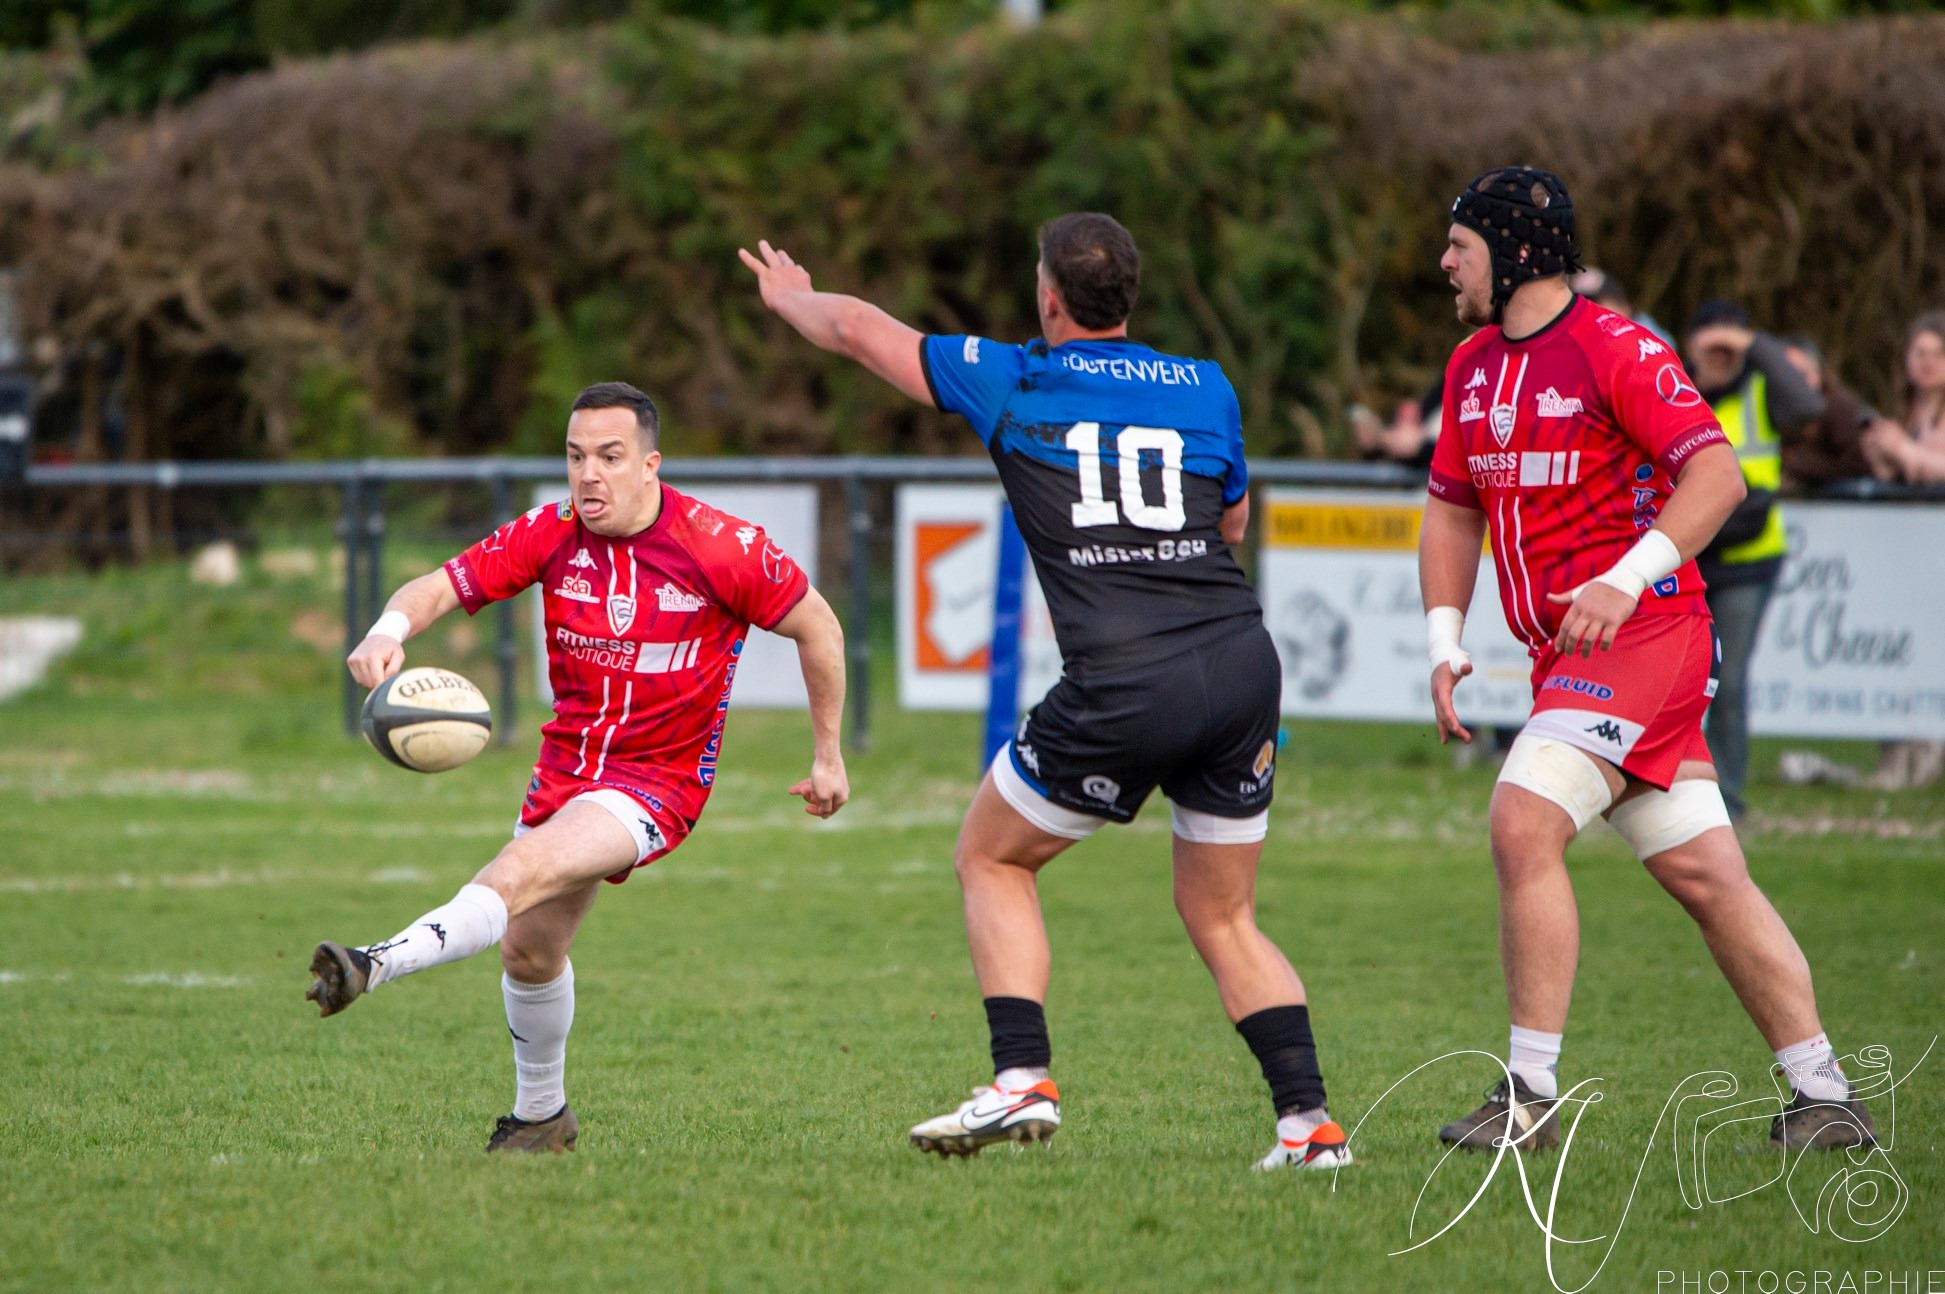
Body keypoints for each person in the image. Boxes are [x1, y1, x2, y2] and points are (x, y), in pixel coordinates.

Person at [740, 214, 1351, 1172]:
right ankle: (1307, 1127)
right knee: (1224, 915)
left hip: (1125, 676)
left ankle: (1020, 1079)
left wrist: (789, 300)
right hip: (1239, 663)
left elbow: (861, 328)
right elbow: (1230, 518)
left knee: (991, 857)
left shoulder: (1015, 377)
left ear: (1048, 297)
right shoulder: (1206, 385)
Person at [1419, 167, 1875, 1154]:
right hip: (1574, 658)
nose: (1443, 262)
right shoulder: (1469, 368)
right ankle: (1824, 1094)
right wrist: (1444, 640)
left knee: (1520, 818)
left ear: (1511, 250)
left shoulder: (1616, 345)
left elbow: (1713, 472)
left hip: (1649, 635)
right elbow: (1452, 509)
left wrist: (1627, 576)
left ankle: (1528, 1096)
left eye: (1458, 245)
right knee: (1707, 874)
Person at [306, 381, 851, 1153]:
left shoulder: (720, 545)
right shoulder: (552, 533)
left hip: (656, 784)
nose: (587, 474)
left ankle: (372, 965)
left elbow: (818, 626)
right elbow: (438, 585)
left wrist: (826, 754)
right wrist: (387, 629)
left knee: (516, 870)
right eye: (574, 456)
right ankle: (542, 1119)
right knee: (529, 950)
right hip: (566, 770)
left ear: (650, 465)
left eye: (609, 456)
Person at [1683, 299, 1825, 820]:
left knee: (1731, 679)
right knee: (1679, 677)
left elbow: (1808, 407)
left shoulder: (1762, 391)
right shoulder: (1674, 390)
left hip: (1749, 556)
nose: (1720, 350)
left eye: (1730, 340)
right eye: (1711, 338)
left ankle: (1726, 796)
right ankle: (1674, 786)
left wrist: (1754, 345)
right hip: (1687, 553)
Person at [1864, 311, 1945, 485]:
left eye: (1939, 354)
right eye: (1920, 354)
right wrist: (1881, 456)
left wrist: (1903, 449)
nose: (1928, 363)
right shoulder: (1906, 411)